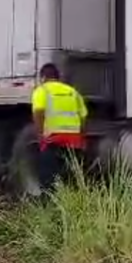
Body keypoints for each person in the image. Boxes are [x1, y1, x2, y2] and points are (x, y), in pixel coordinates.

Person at [31, 63, 88, 193]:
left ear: (43, 77)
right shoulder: (72, 92)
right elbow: (83, 116)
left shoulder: (42, 90)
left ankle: (48, 199)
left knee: (48, 174)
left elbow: (38, 112)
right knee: (71, 174)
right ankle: (71, 198)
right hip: (73, 139)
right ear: (58, 77)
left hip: (53, 139)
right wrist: (82, 137)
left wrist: (40, 135)